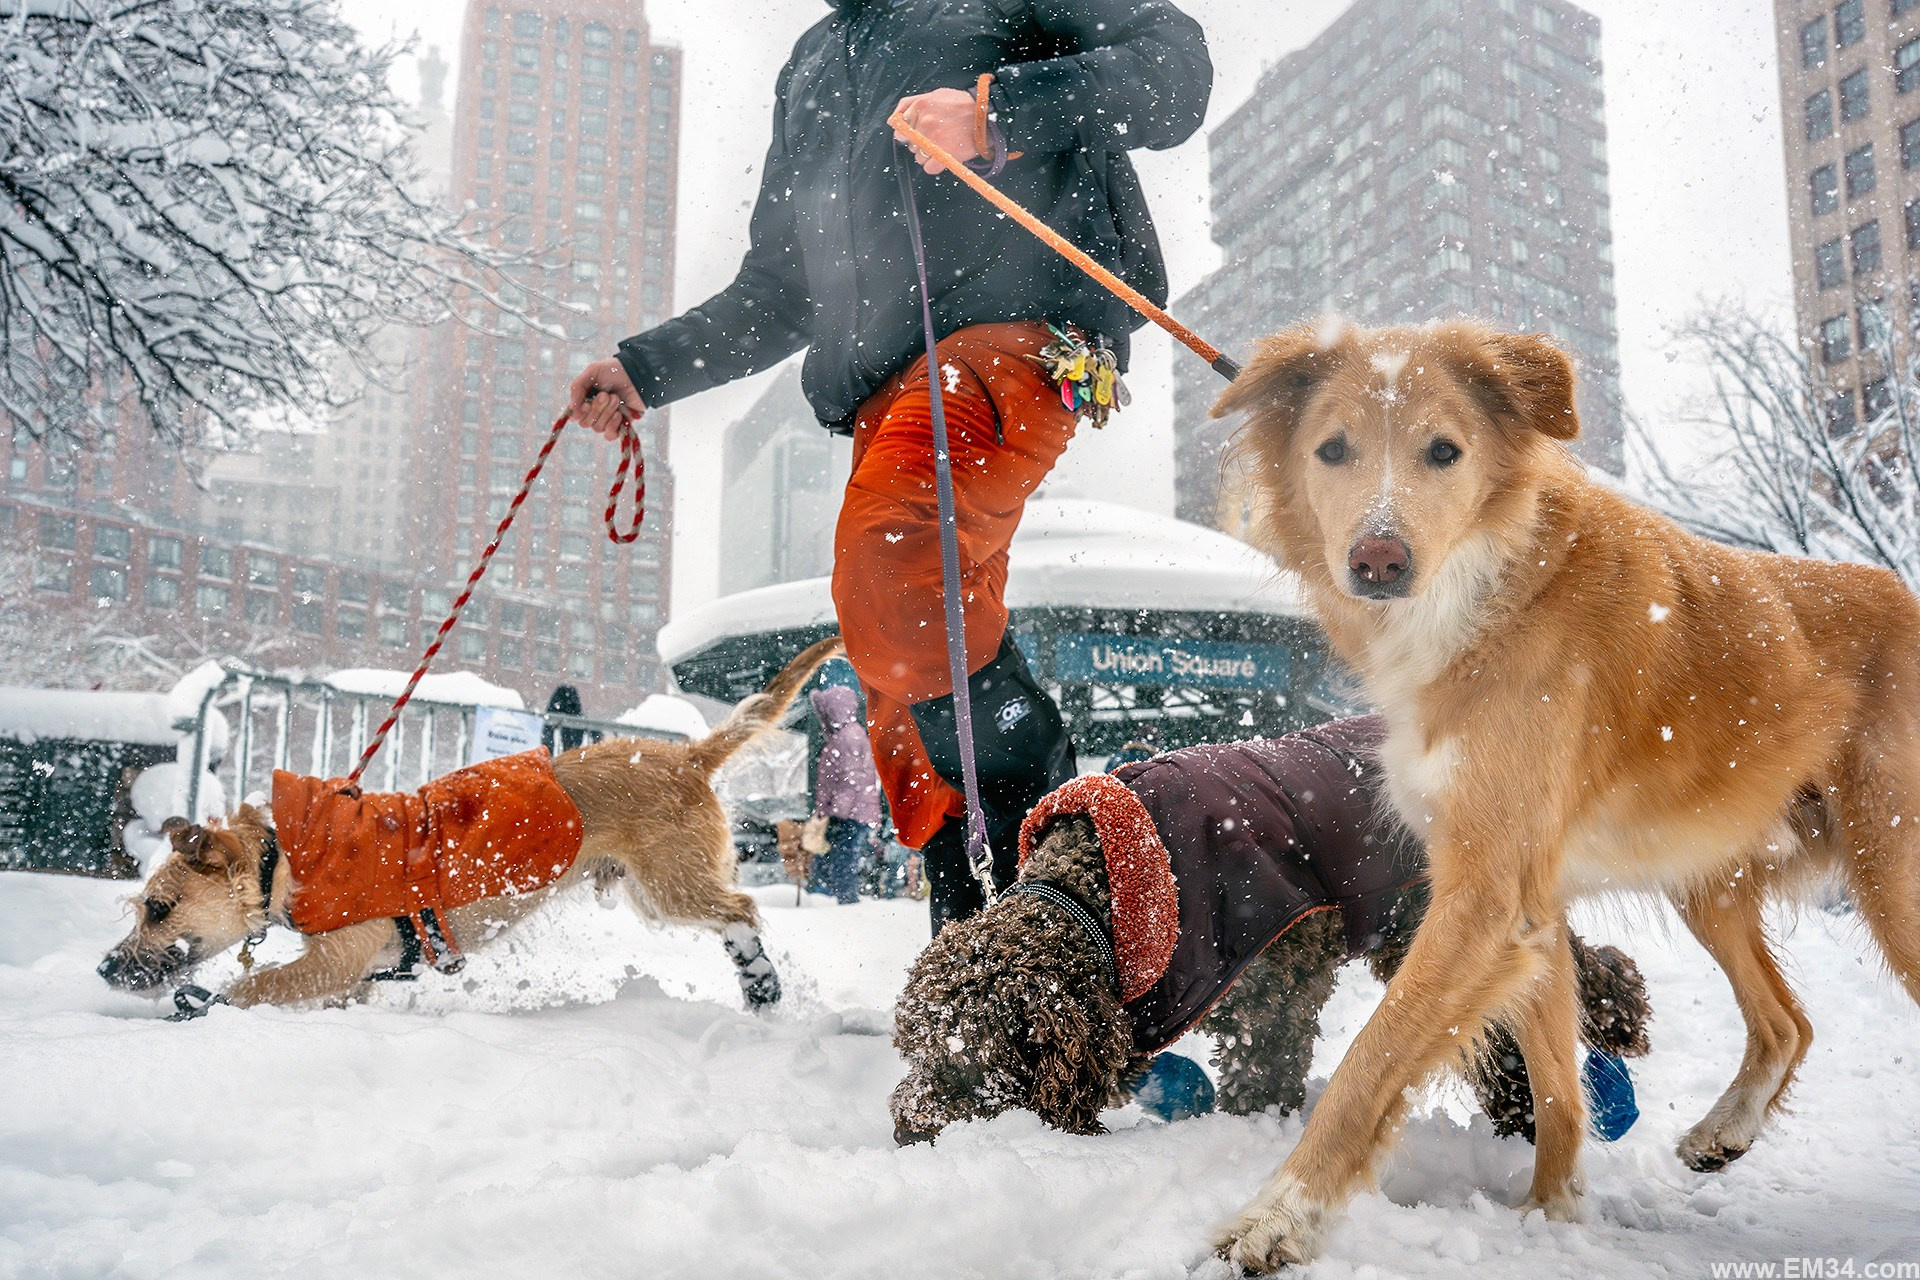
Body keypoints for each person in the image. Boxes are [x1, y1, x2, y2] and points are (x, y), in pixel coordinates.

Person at [569, 0, 1213, 935]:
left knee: (893, 559)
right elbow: (781, 289)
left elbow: (1174, 65)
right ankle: (982, 935)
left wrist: (999, 109)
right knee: (899, 667)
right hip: (882, 393)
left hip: (1018, 337)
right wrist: (646, 369)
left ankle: (1061, 884)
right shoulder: (815, 60)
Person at [808, 684, 881, 905]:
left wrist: (833, 811)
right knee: (842, 855)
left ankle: (845, 901)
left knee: (842, 857)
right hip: (854, 810)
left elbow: (851, 780)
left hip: (849, 812)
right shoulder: (851, 734)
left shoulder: (846, 738)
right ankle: (839, 898)